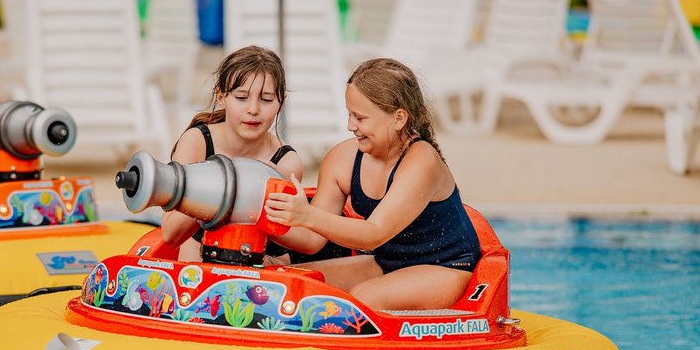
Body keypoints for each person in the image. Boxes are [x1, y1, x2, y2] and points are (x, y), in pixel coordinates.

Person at [264, 58, 481, 311]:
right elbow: (312, 239)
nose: (350, 126)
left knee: (363, 301)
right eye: (349, 114)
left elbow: (373, 234)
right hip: (385, 263)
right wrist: (266, 221)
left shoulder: (421, 161)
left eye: (360, 117)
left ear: (399, 118)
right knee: (286, 282)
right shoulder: (343, 159)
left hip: (444, 267)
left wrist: (306, 214)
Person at [162, 45, 303, 261]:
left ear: (281, 102)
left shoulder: (285, 163)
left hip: (262, 266)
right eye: (241, 97)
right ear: (221, 97)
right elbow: (171, 234)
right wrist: (223, 187)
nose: (253, 109)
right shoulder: (197, 142)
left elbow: (286, 238)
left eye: (266, 100)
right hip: (197, 268)